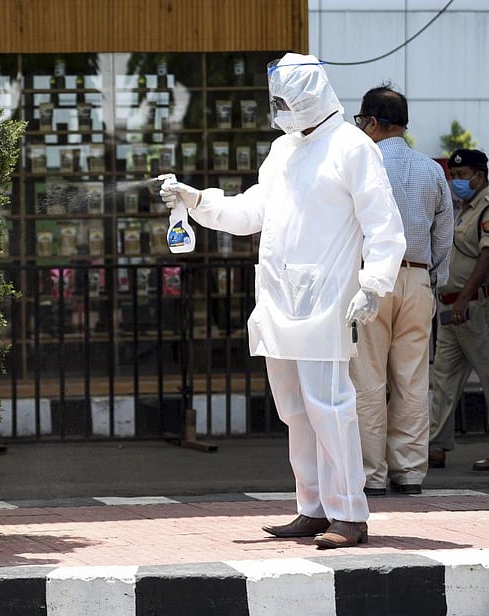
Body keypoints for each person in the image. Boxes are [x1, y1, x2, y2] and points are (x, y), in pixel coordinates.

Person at [160, 53, 406, 549]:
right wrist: (199, 201)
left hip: (328, 300)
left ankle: (349, 514)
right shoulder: (283, 150)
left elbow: (384, 226)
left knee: (329, 407)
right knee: (294, 409)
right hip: (278, 297)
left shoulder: (353, 147)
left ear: (309, 95)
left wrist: (374, 285)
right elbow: (252, 210)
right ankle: (312, 507)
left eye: (283, 100)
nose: (277, 110)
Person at [348, 86, 454, 496]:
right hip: (418, 277)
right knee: (413, 380)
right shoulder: (432, 170)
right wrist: (432, 280)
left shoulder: (362, 164)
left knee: (368, 379)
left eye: (362, 122)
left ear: (372, 122)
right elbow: (442, 234)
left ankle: (370, 475)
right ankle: (409, 473)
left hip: (371, 279)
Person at [428, 148, 489, 471]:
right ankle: (436, 447)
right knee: (443, 379)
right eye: (454, 176)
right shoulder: (464, 208)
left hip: (475, 305)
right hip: (451, 309)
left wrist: (465, 297)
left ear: (480, 175)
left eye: (463, 176)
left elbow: (486, 256)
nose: (457, 182)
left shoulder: (486, 206)